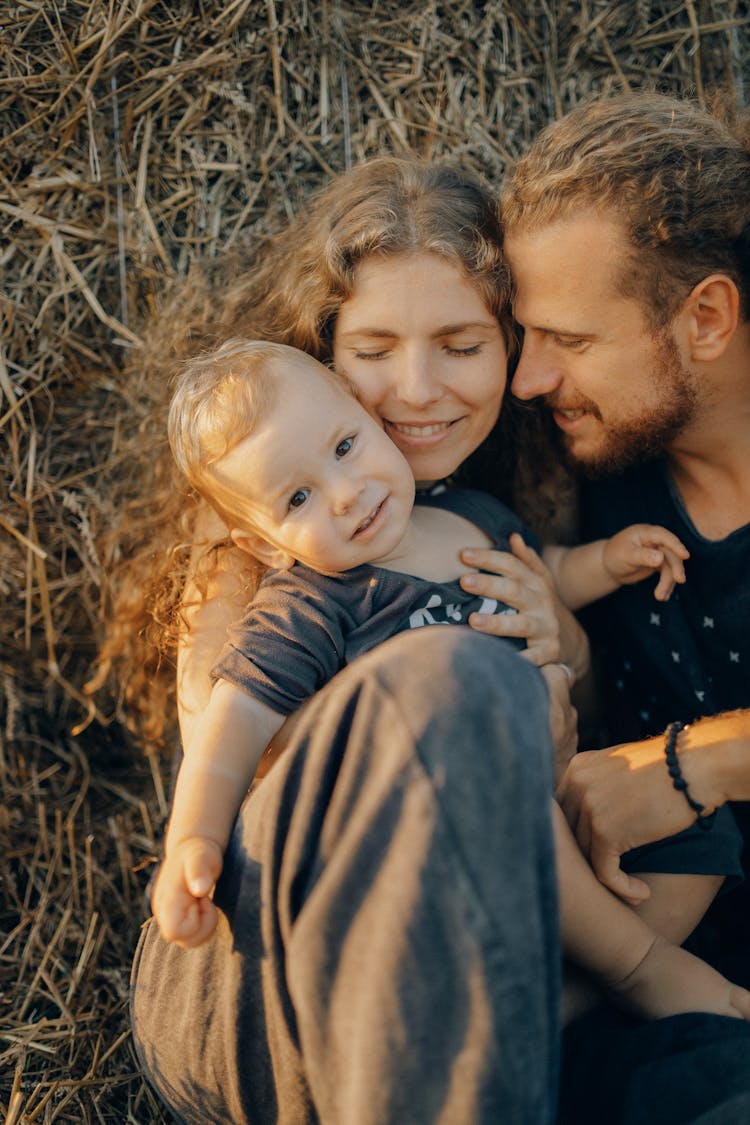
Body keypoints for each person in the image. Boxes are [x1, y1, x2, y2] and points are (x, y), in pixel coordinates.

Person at [128, 156, 587, 1125]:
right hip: (252, 979)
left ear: (513, 349)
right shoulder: (256, 549)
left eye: (462, 343)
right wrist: (482, 711)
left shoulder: (472, 507)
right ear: (322, 349)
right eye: (374, 348)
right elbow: (247, 754)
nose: (415, 388)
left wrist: (561, 642)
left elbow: (563, 686)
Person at [151, 336, 745, 1030]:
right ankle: (635, 967)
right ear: (261, 543)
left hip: (557, 785)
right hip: (454, 834)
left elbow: (541, 572)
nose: (347, 495)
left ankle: (563, 1003)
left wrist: (606, 562)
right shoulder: (312, 605)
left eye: (344, 446)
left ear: (370, 417)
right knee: (505, 792)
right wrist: (192, 840)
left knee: (699, 830)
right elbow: (233, 725)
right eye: (300, 496)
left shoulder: (466, 512)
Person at [501, 90, 750, 1123]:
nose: (526, 377)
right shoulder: (589, 477)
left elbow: (667, 761)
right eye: (522, 334)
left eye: (566, 337)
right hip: (662, 997)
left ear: (703, 317)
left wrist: (703, 761)